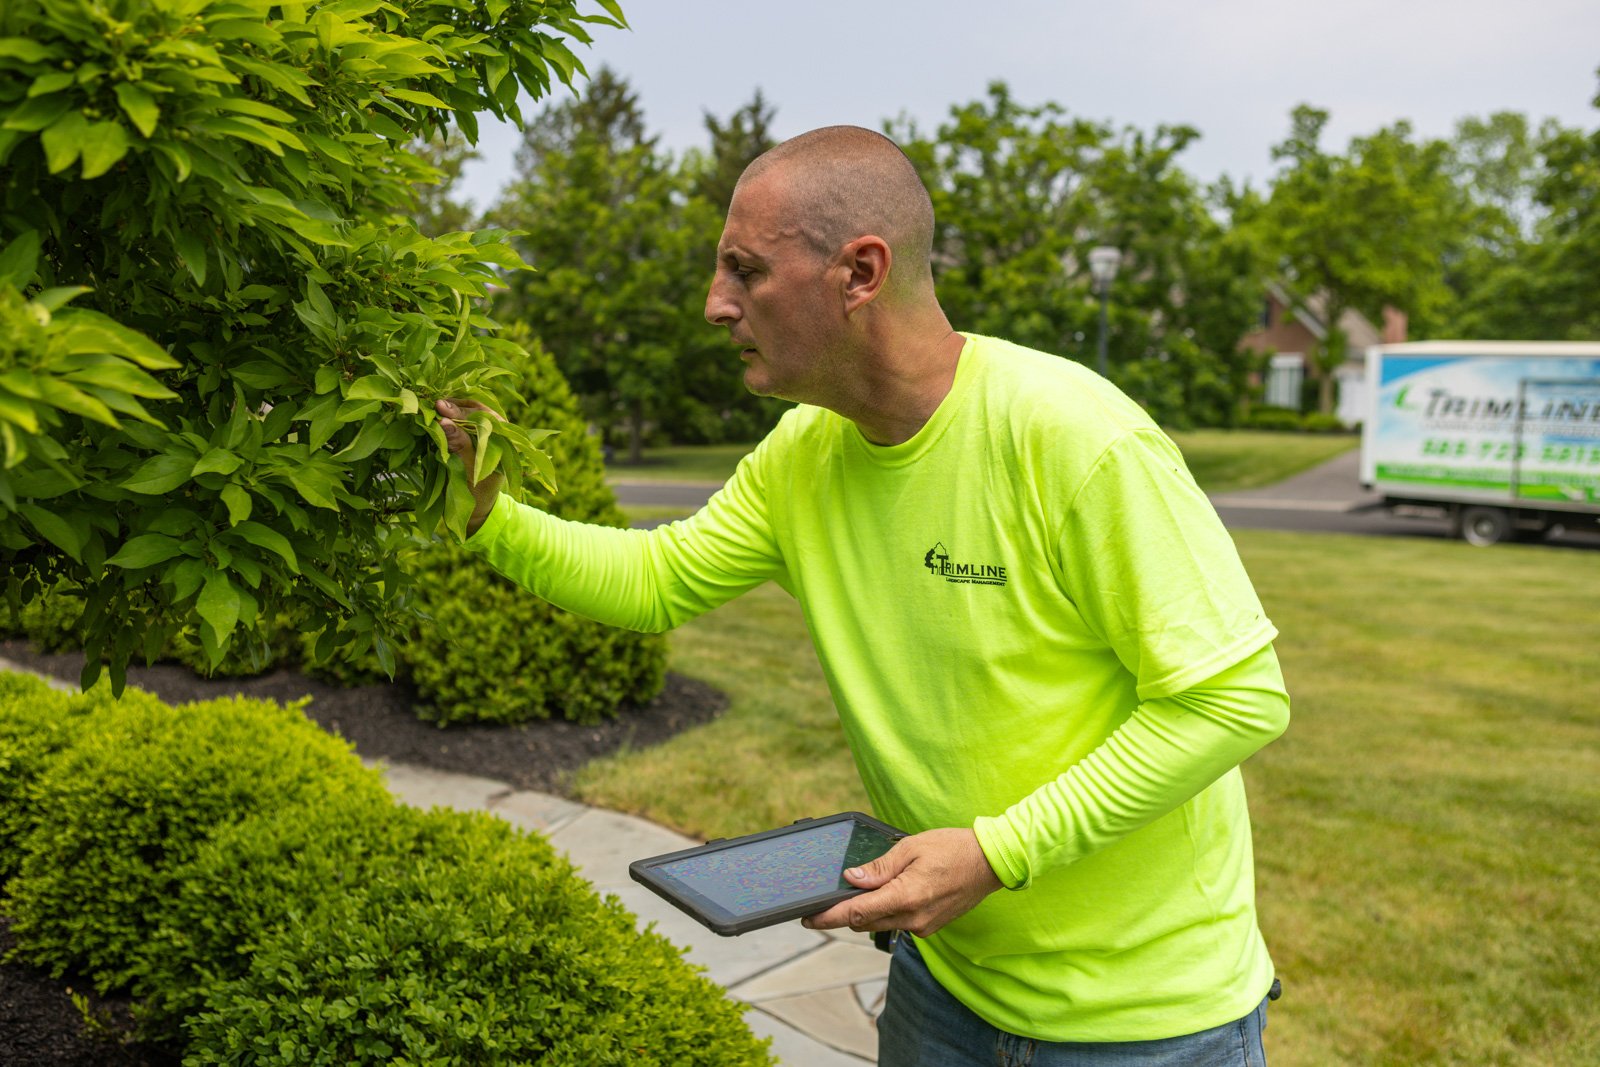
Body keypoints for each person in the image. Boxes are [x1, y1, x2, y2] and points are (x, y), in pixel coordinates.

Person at [436, 125, 1290, 1065]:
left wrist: (999, 850)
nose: (714, 305)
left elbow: (1232, 698)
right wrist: (487, 512)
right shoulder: (806, 451)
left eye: (744, 271)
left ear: (860, 273)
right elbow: (655, 581)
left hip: (1149, 1025)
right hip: (947, 987)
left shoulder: (1075, 438)